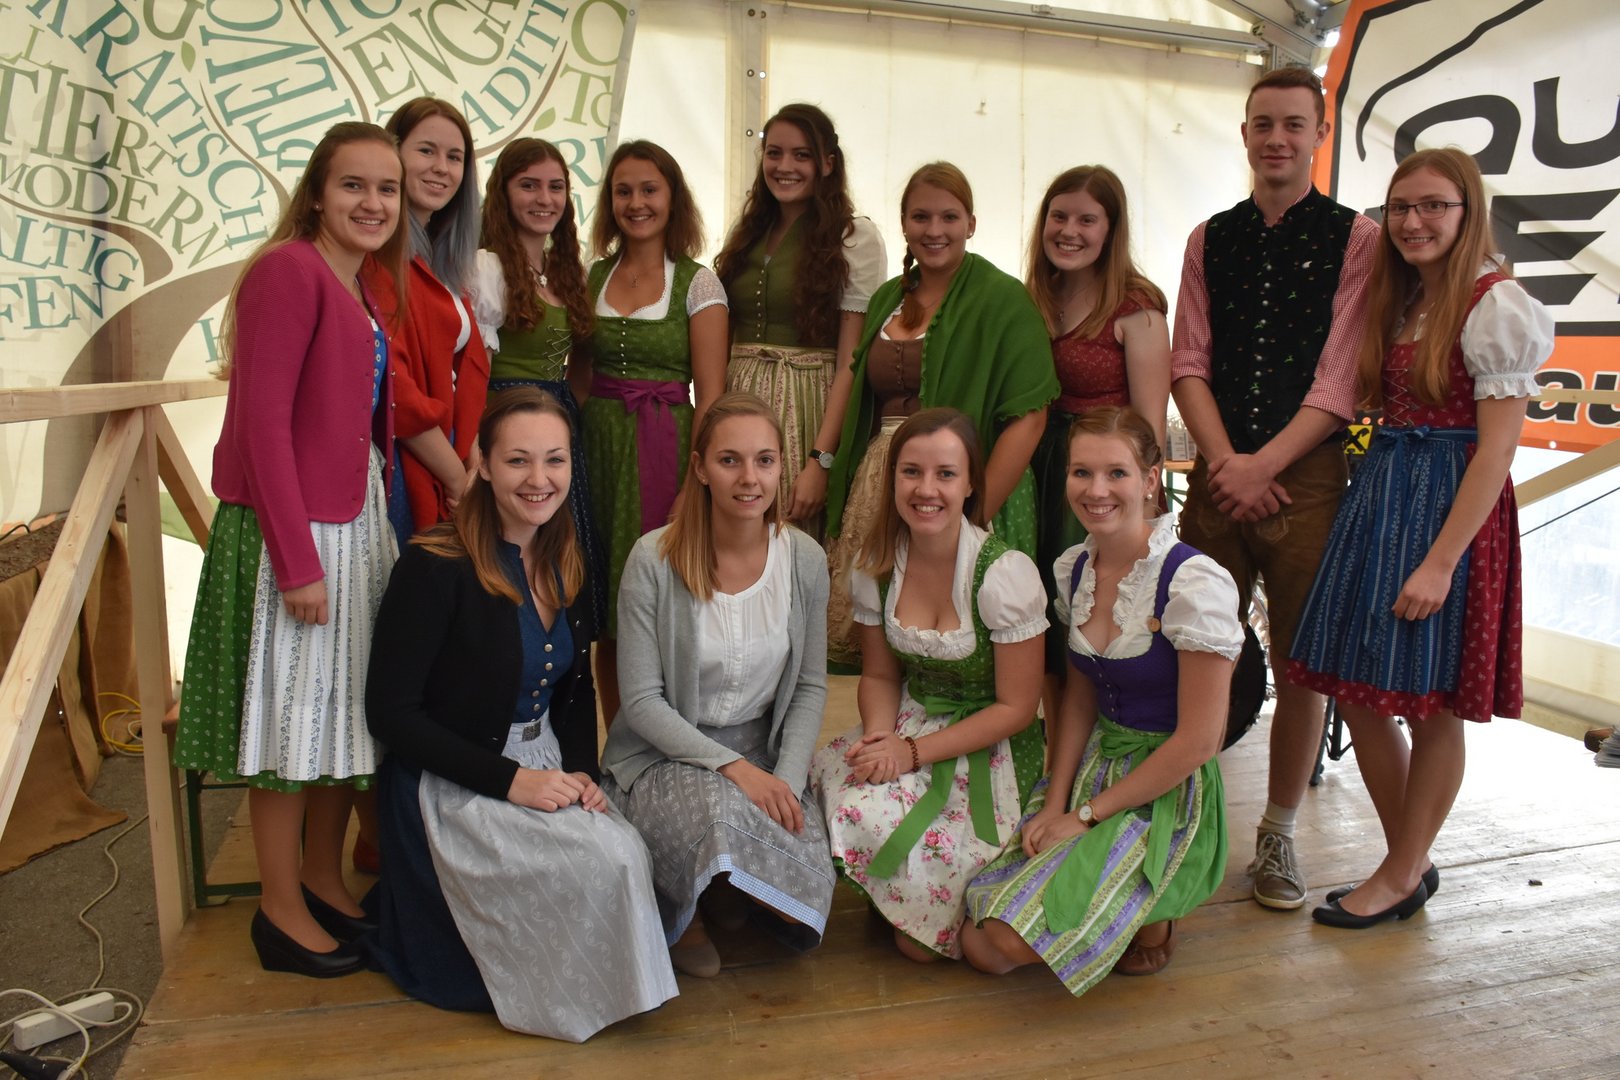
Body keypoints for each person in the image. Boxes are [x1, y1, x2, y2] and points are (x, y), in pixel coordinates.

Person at [1289, 148, 1553, 928]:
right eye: (1400, 207)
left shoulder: (1495, 305)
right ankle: (1410, 858)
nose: (1413, 221)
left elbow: (1496, 453)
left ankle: (1401, 870)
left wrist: (1441, 563)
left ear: (1468, 212)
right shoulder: (1405, 299)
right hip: (1384, 499)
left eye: (1433, 205)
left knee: (1434, 706)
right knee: (1355, 688)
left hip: (1449, 511)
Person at [363, 387, 677, 1039]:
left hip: (544, 760)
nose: (539, 479)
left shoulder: (564, 556)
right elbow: (391, 714)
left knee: (627, 850)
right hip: (452, 780)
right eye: (518, 461)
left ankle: (604, 982)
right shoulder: (432, 565)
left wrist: (582, 771)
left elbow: (575, 691)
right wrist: (512, 781)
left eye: (555, 460)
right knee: (599, 864)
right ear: (481, 462)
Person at [172, 121, 407, 978]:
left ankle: (320, 879)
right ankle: (277, 910)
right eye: (353, 185)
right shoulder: (288, 270)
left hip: (351, 522)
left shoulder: (357, 282)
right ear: (316, 193)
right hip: (300, 533)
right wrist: (298, 563)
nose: (373, 203)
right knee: (291, 722)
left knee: (338, 718)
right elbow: (261, 427)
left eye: (386, 189)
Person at [1169, 66, 1379, 911]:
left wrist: (1263, 465)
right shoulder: (1208, 238)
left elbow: (1341, 376)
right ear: (1245, 133)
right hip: (1218, 472)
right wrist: (1227, 462)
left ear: (1320, 134)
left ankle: (1278, 833)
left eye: (1295, 124)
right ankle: (1177, 813)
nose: (1277, 138)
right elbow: (1188, 361)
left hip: (1309, 476)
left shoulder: (1358, 238)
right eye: (1264, 123)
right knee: (1190, 645)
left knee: (1303, 662)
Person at [960, 406, 1240, 992]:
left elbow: (1198, 743)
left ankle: (1156, 918)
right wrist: (1056, 801)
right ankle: (1117, 909)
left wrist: (1085, 817)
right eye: (1081, 472)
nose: (1096, 490)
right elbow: (1080, 700)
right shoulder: (1074, 570)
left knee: (1003, 944)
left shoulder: (1193, 583)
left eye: (1116, 473)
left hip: (1167, 790)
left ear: (1150, 478)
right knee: (975, 932)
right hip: (1095, 767)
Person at [601, 392, 836, 978]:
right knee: (715, 813)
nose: (749, 478)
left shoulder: (804, 560)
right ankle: (690, 910)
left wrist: (784, 781)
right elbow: (642, 702)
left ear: (781, 467)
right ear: (701, 468)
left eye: (765, 460)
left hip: (762, 748)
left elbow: (810, 687)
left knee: (802, 894)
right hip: (668, 752)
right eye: (730, 460)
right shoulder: (653, 559)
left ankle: (724, 883)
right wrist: (737, 771)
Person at [811, 408, 1047, 962]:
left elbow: (1017, 708)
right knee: (844, 787)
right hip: (909, 721)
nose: (926, 489)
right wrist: (880, 739)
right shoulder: (876, 565)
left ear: (970, 484)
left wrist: (911, 753)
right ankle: (906, 896)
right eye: (911, 472)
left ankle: (939, 903)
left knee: (916, 949)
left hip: (990, 747)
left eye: (945, 474)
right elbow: (879, 674)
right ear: (892, 478)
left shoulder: (1003, 574)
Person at [824, 163, 1058, 669]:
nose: (935, 230)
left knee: (964, 644)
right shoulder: (888, 297)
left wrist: (975, 510)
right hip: (889, 482)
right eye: (921, 217)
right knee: (887, 640)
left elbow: (1030, 417)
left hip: (972, 484)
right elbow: (858, 385)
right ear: (903, 224)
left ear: (971, 223)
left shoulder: (1004, 299)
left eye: (949, 217)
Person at [585, 139, 729, 725]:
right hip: (596, 449)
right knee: (603, 610)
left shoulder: (698, 283)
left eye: (649, 189)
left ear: (673, 198)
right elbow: (577, 378)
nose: (636, 202)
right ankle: (617, 741)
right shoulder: (592, 275)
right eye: (623, 191)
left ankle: (671, 737)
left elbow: (711, 395)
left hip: (664, 449)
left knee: (661, 600)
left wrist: (694, 485)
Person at [1024, 164, 1171, 699]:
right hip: (1036, 471)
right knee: (1037, 612)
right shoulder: (1032, 297)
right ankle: (1049, 737)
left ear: (1111, 229)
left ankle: (1096, 733)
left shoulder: (1137, 307)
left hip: (1100, 478)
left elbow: (1150, 428)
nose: (1069, 231)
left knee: (1090, 614)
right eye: (1059, 216)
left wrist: (1145, 510)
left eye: (1087, 220)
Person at [714, 103, 887, 539]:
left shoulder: (854, 237)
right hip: (740, 396)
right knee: (733, 538)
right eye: (774, 153)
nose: (784, 166)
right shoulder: (748, 231)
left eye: (801, 155)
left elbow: (851, 362)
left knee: (791, 537)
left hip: (806, 404)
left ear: (827, 163)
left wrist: (820, 461)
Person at [470, 137, 608, 624]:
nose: (544, 199)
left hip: (557, 418)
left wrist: (569, 409)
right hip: (504, 416)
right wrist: (477, 441)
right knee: (509, 541)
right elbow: (474, 369)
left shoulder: (565, 271)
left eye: (555, 187)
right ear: (503, 193)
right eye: (528, 186)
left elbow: (580, 365)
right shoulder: (487, 267)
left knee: (558, 545)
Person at [375, 96, 491, 543]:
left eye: (455, 157)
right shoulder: (379, 259)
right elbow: (398, 391)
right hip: (409, 466)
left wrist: (472, 455)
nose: (441, 168)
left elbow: (467, 375)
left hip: (451, 454)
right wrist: (458, 480)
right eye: (426, 150)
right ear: (393, 154)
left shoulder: (445, 264)